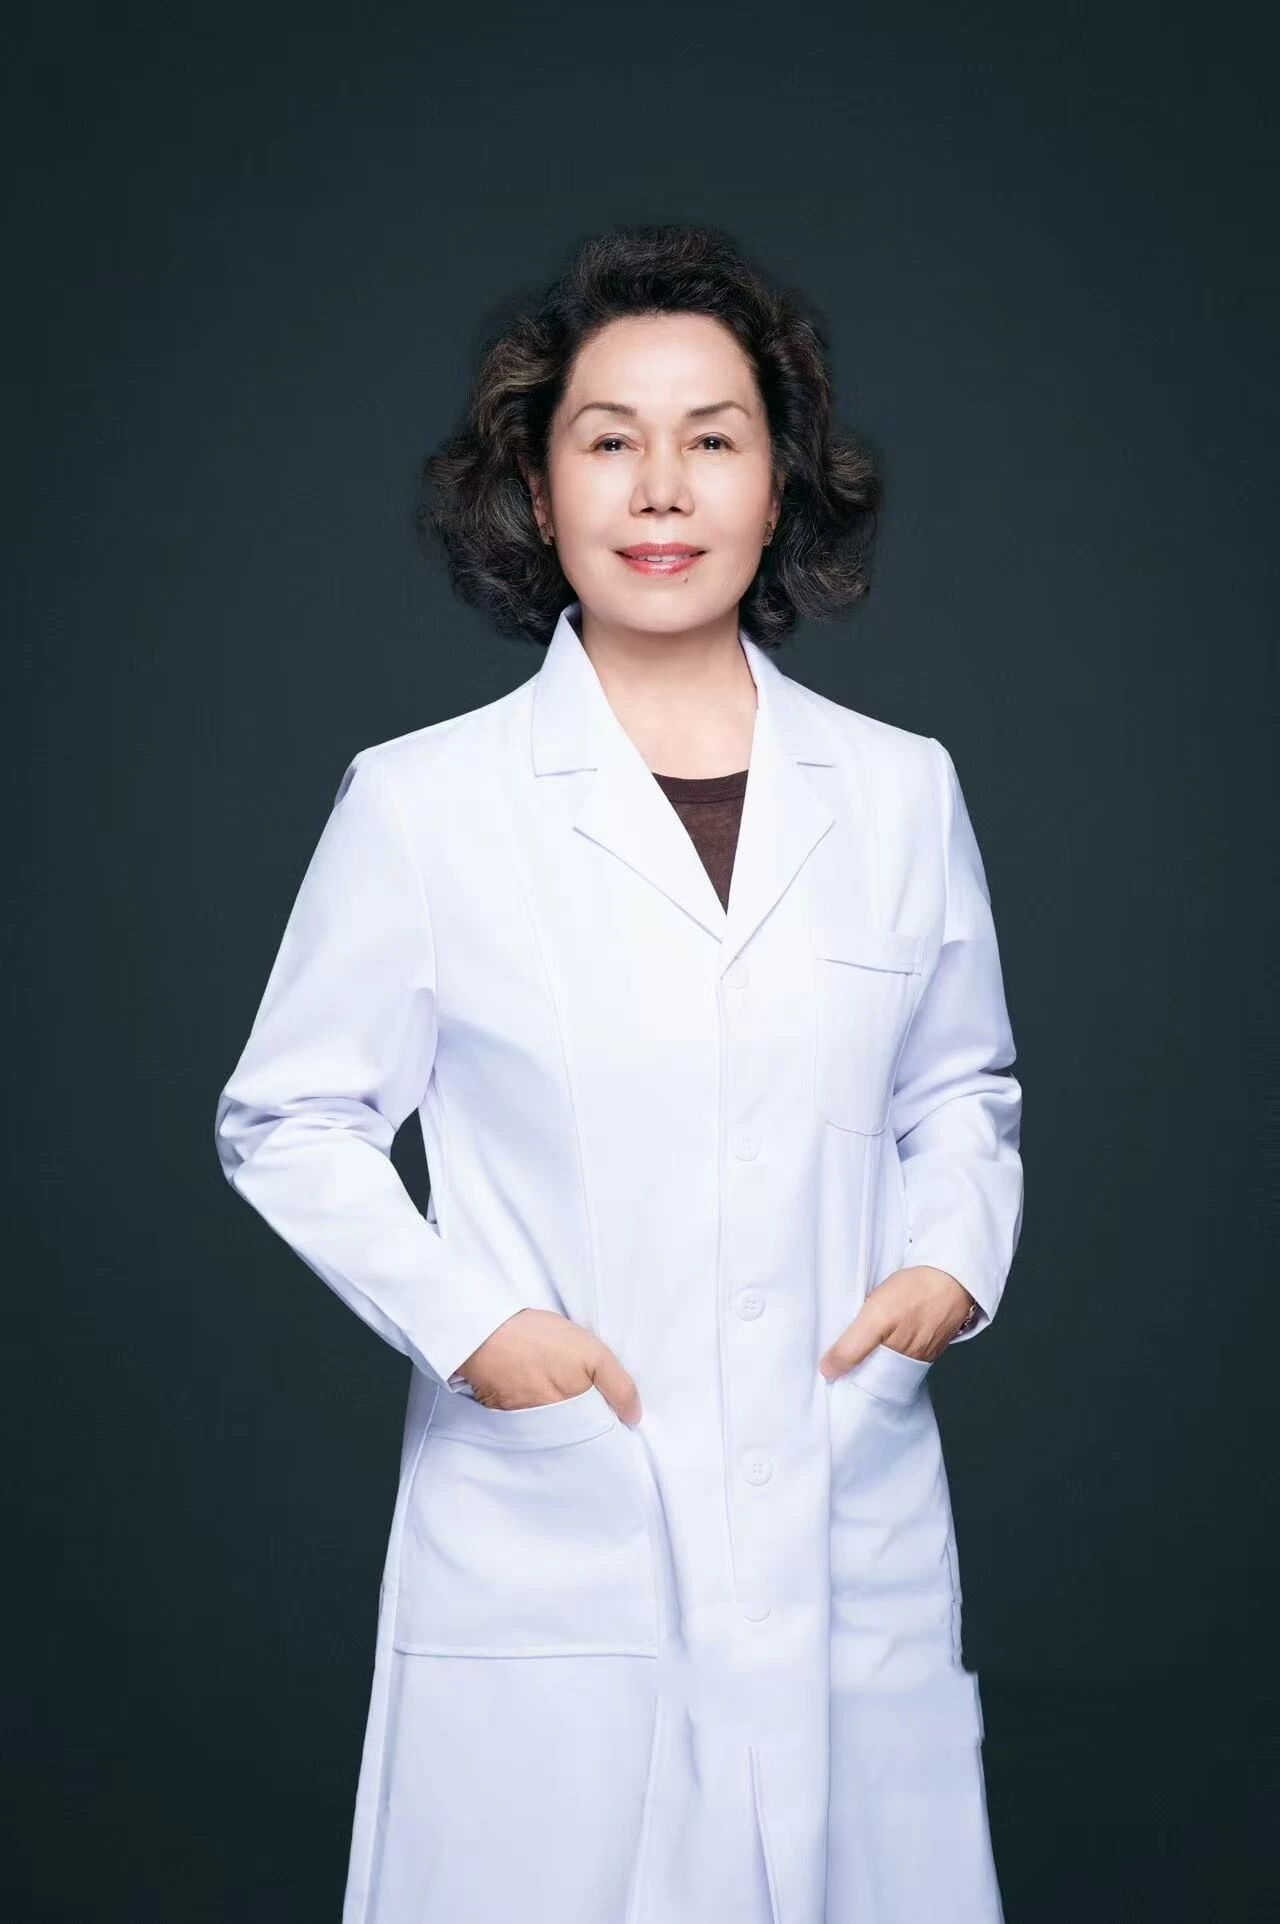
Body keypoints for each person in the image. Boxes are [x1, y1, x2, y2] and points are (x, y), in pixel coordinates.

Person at [214, 221, 1024, 1924]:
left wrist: (952, 1262)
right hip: (557, 1523)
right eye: (609, 441)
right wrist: (474, 1331)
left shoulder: (900, 792)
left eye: (713, 439)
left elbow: (959, 1088)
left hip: (843, 1520)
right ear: (537, 485)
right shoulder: (426, 803)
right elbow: (291, 1116)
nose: (662, 490)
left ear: (779, 486)